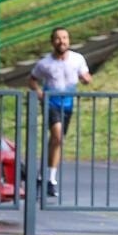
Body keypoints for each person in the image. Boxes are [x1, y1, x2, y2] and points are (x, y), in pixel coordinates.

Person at [29, 27, 92, 198]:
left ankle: (47, 177)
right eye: (58, 38)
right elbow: (32, 79)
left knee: (57, 141)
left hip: (68, 104)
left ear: (69, 40)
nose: (62, 41)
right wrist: (39, 94)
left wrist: (86, 79)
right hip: (51, 103)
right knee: (57, 137)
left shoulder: (77, 59)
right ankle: (51, 180)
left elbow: (85, 75)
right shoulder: (45, 63)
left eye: (65, 38)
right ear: (52, 42)